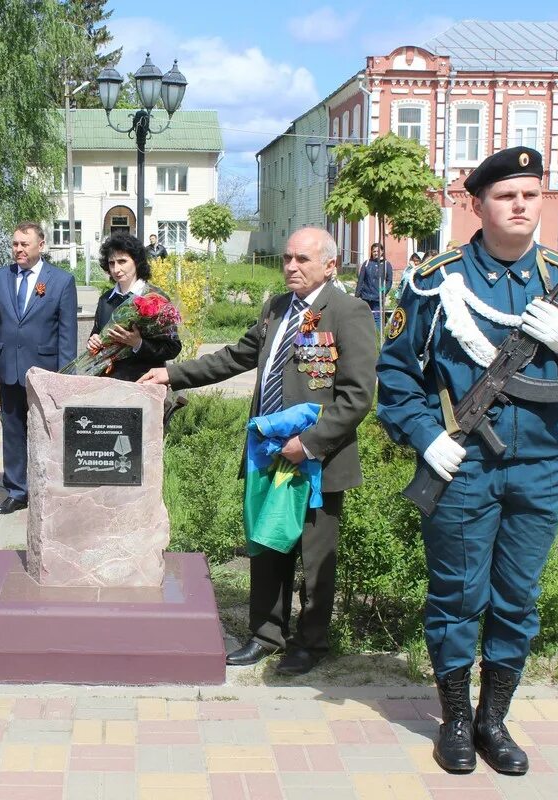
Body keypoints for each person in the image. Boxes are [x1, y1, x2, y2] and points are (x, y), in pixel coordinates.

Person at [377, 147, 558, 776]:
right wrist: (425, 436)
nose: (522, 205)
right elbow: (396, 375)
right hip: (463, 463)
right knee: (456, 594)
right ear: (477, 205)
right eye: (507, 196)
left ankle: (493, 720)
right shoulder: (435, 280)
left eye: (531, 194)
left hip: (542, 463)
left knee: (517, 597)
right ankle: (453, 719)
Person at [139, 227, 375, 675]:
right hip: (267, 452)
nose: (290, 267)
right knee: (267, 546)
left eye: (302, 259)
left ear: (330, 264)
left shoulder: (348, 312)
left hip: (315, 461)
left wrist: (307, 444)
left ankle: (310, 643)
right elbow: (233, 357)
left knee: (314, 552)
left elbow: (357, 396)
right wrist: (172, 374)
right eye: (287, 258)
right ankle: (266, 634)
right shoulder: (276, 310)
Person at [0, 222, 78, 514]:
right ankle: (18, 491)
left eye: (24, 244)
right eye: (15, 244)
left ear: (41, 245)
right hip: (8, 369)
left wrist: (64, 377)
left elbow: (66, 334)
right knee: (13, 432)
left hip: (45, 373)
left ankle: (49, 489)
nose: (18, 249)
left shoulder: (61, 281)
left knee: (48, 432)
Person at [87, 233, 182, 382]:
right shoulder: (105, 299)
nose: (116, 269)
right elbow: (96, 334)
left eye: (122, 261)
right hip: (107, 383)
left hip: (144, 382)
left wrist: (138, 343)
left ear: (137, 261)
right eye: (111, 263)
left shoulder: (155, 298)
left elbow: (172, 348)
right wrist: (93, 341)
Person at [355, 242, 393, 330]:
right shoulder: (367, 263)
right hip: (365, 296)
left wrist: (382, 291)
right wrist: (357, 294)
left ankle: (377, 338)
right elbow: (361, 280)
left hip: (378, 298)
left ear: (382, 251)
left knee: (377, 318)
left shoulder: (386, 265)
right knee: (365, 317)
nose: (376, 253)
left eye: (378, 251)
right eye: (374, 251)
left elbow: (389, 281)